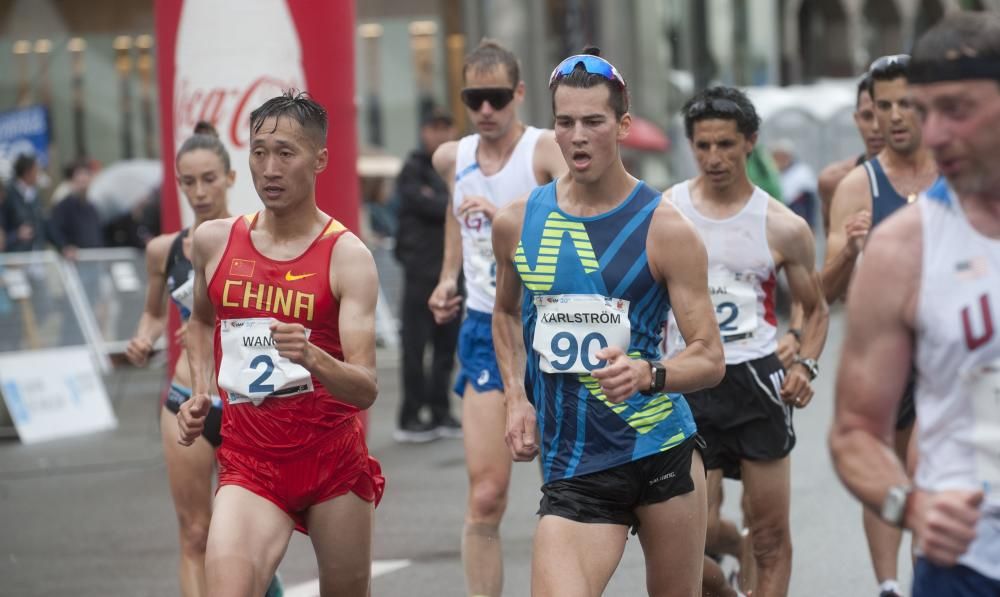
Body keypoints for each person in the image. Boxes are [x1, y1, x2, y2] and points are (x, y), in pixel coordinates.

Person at [493, 49, 725, 597]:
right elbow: (503, 314)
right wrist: (515, 397)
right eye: (565, 122)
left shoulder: (665, 229)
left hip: (659, 449)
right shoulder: (517, 222)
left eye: (593, 122)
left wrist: (649, 374)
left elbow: (710, 356)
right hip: (574, 464)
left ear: (622, 125)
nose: (577, 137)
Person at [177, 92, 384, 597]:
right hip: (250, 462)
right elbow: (201, 323)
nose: (269, 168)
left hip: (331, 460)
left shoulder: (347, 257)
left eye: (285, 153)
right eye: (259, 151)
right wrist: (202, 391)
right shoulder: (215, 241)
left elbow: (366, 388)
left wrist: (311, 355)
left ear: (319, 159)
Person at [830, 12, 1000, 596]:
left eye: (958, 110)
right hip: (966, 565)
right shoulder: (902, 249)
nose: (934, 133)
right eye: (925, 113)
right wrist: (913, 505)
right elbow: (855, 431)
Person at [662, 86, 829, 597]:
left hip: (756, 376)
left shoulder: (783, 226)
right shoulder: (666, 212)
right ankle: (732, 577)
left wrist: (805, 364)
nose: (714, 158)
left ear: (750, 143)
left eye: (726, 145)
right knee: (697, 534)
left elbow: (817, 306)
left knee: (771, 534)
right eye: (704, 145)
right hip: (691, 377)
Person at [428, 39, 565, 597]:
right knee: (486, 494)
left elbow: (575, 217)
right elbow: (455, 216)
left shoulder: (545, 150)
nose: (486, 110)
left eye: (497, 97)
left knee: (563, 490)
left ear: (520, 94)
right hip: (486, 325)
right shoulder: (451, 158)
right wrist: (447, 277)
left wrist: (511, 216)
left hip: (553, 327)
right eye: (474, 98)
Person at [126, 123, 282, 597]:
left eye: (209, 179)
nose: (198, 191)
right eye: (187, 181)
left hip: (245, 404)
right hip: (184, 400)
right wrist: (143, 337)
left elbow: (281, 315)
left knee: (250, 540)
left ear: (231, 178)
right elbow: (153, 314)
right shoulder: (164, 250)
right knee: (195, 533)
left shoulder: (256, 239)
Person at [822, 53, 942, 597]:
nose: (894, 117)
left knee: (931, 468)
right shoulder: (855, 187)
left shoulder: (956, 172)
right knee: (888, 469)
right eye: (883, 106)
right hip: (887, 355)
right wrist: (848, 251)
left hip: (947, 354)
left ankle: (929, 576)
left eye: (906, 104)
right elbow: (822, 291)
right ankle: (890, 584)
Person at [392, 107, 463, 442]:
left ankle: (440, 411)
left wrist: (446, 201)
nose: (440, 134)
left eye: (445, 127)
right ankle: (410, 416)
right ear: (424, 132)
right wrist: (449, 203)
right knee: (414, 347)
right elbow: (438, 207)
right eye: (434, 128)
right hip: (420, 272)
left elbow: (451, 206)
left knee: (447, 348)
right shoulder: (413, 168)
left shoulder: (459, 167)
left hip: (451, 271)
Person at [817, 73, 885, 233]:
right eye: (867, 116)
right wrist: (851, 249)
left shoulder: (929, 176)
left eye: (882, 114)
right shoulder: (834, 181)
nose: (876, 127)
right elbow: (832, 254)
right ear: (856, 119)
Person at [48, 159, 103, 260]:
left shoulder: (92, 208)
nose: (83, 179)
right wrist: (64, 247)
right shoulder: (63, 206)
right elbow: (54, 231)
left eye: (86, 175)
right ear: (72, 179)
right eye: (79, 175)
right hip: (73, 263)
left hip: (93, 261)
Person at [2, 154, 46, 252]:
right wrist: (15, 235)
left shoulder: (35, 194)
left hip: (36, 253)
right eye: (36, 171)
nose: (38, 175)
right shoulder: (7, 194)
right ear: (27, 173)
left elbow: (43, 222)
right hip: (15, 256)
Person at [771, 139, 818, 230]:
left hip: (797, 219)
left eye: (784, 156)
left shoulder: (802, 173)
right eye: (777, 156)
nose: (780, 160)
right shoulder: (768, 175)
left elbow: (810, 203)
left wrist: (811, 225)